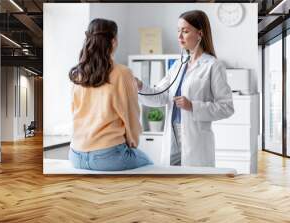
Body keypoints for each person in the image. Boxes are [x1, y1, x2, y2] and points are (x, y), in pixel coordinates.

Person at [135, 10, 234, 167]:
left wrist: (193, 106)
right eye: (178, 31)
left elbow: (226, 107)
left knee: (194, 186)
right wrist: (139, 85)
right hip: (172, 135)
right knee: (171, 185)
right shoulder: (178, 64)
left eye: (185, 31)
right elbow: (160, 96)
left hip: (195, 140)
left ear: (200, 34)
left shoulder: (213, 65)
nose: (179, 36)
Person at [68, 18, 153, 171]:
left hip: (75, 155)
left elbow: (74, 111)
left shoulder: (78, 74)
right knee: (149, 163)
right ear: (113, 41)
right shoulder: (123, 73)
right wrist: (132, 143)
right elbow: (131, 115)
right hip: (108, 156)